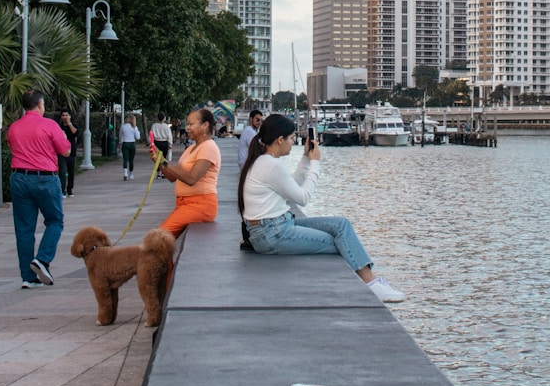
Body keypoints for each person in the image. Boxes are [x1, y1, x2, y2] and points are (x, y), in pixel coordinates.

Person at [239, 113, 404, 303]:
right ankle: (371, 284)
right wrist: (316, 163)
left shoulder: (264, 161)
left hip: (272, 227)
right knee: (339, 242)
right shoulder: (271, 165)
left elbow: (291, 185)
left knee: (341, 225)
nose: (293, 143)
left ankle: (373, 282)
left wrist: (306, 159)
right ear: (279, 140)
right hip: (272, 233)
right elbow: (303, 198)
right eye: (292, 139)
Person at [7, 90, 70, 288]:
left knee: (24, 229)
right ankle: (42, 259)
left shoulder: (14, 128)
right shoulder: (49, 125)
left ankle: (28, 277)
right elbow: (66, 150)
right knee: (55, 221)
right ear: (40, 105)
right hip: (45, 178)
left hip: (19, 178)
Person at [151, 107, 220, 237]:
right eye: (187, 124)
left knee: (159, 238)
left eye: (191, 124)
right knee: (162, 241)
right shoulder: (191, 148)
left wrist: (165, 162)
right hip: (184, 203)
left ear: (205, 125)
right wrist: (159, 160)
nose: (187, 128)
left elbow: (191, 179)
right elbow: (173, 176)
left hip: (200, 204)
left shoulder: (209, 147)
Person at [56, 109, 79, 197]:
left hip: (71, 152)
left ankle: (70, 189)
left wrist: (69, 124)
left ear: (69, 116)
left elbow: (75, 133)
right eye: (63, 115)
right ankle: (62, 190)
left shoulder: (73, 126)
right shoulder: (59, 127)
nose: (65, 117)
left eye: (66, 115)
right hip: (61, 152)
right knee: (62, 171)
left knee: (71, 171)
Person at [119, 113, 141, 181]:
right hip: (132, 144)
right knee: (131, 160)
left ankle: (125, 173)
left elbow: (120, 136)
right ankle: (131, 174)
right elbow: (138, 137)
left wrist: (120, 142)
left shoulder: (123, 126)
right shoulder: (134, 127)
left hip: (125, 143)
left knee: (125, 159)